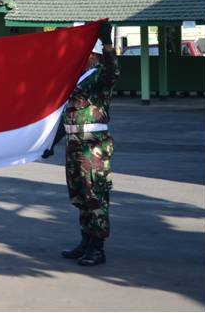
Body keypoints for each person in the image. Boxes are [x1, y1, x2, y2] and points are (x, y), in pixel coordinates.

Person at [60, 24, 118, 267]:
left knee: (95, 196)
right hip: (74, 146)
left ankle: (98, 248)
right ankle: (86, 241)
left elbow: (112, 71)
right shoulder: (73, 79)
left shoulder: (99, 77)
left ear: (92, 55)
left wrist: (107, 44)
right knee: (80, 197)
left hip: (92, 147)